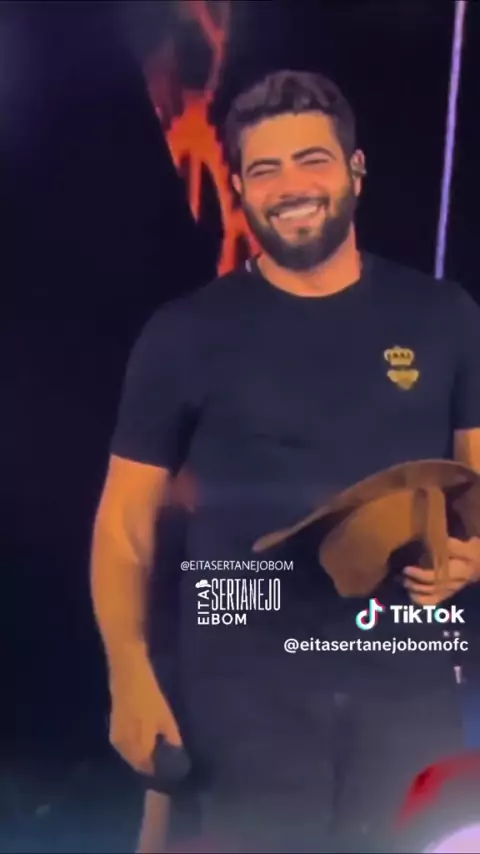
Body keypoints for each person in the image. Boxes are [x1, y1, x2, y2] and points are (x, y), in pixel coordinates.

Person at [90, 70, 480, 853]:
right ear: (238, 188)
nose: (291, 187)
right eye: (264, 170)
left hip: (407, 693)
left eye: (313, 160)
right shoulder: (185, 334)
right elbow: (125, 525)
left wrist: (472, 556)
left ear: (355, 171)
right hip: (241, 707)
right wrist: (128, 676)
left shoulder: (444, 317)